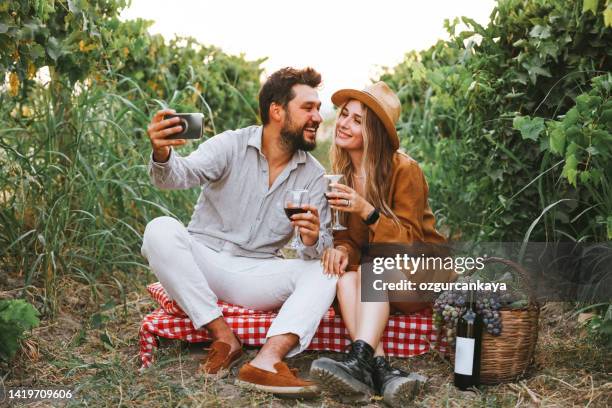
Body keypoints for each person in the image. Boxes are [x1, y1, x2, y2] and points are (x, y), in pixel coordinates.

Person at [141, 67, 336, 397]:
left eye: (318, 109)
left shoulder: (314, 175)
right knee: (159, 229)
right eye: (308, 108)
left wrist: (313, 238)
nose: (317, 116)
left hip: (255, 273)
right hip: (204, 259)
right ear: (277, 110)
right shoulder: (231, 145)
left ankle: (266, 361)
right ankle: (223, 337)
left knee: (325, 270)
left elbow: (315, 250)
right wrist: (162, 152)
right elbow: (175, 176)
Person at [310, 82, 453, 407]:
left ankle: (358, 361)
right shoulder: (342, 176)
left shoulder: (405, 170)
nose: (344, 123)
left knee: (374, 268)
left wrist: (367, 210)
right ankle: (380, 370)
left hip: (419, 275)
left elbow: (409, 244)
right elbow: (346, 238)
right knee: (345, 276)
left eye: (357, 120)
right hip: (378, 279)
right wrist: (340, 251)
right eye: (344, 115)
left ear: (373, 131)